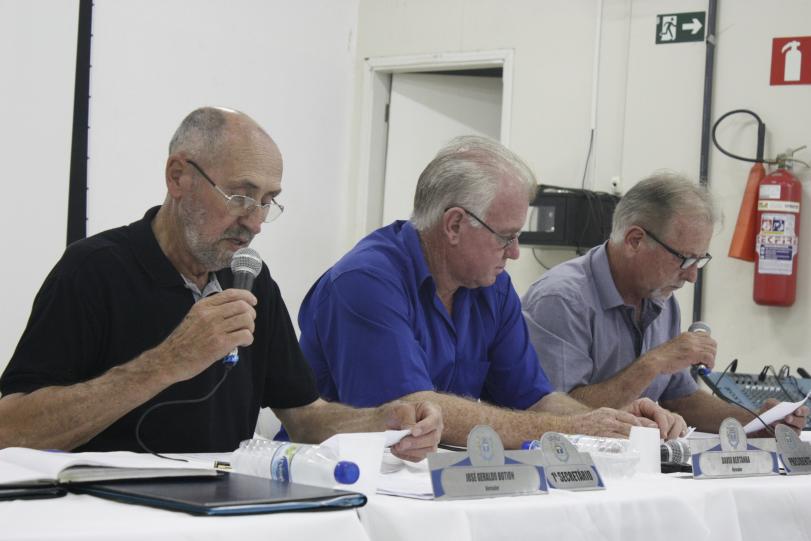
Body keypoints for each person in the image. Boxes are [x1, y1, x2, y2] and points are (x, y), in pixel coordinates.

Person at [0, 107, 441, 460]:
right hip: (110, 514)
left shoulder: (252, 281)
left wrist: (382, 422)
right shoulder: (93, 270)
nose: (255, 222)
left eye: (267, 201)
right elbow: (12, 430)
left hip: (223, 511)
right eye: (241, 196)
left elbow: (306, 417)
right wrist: (168, 362)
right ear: (178, 177)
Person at [298, 136, 681, 450]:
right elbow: (412, 410)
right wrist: (573, 428)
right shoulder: (365, 281)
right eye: (506, 237)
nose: (515, 253)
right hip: (345, 484)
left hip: (435, 479)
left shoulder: (490, 286)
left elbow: (534, 399)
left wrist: (615, 424)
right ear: (454, 225)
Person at [521, 172, 808, 435]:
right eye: (684, 259)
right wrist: (653, 363)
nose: (692, 276)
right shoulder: (562, 299)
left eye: (699, 260)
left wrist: (756, 421)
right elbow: (556, 411)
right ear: (635, 240)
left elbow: (681, 399)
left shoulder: (661, 300)